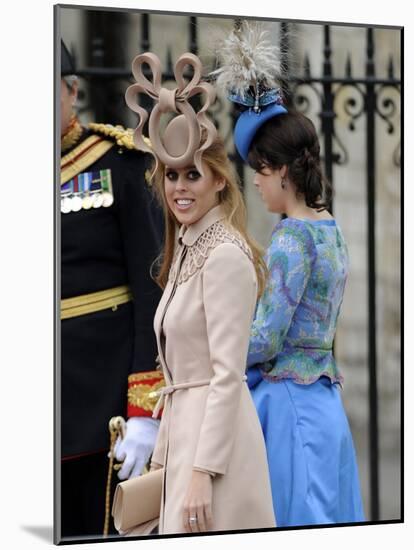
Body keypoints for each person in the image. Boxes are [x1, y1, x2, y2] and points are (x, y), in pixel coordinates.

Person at [215, 21, 365, 527]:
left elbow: (265, 337)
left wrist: (215, 345)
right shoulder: (331, 229)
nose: (253, 181)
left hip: (288, 411)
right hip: (326, 408)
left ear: (282, 170)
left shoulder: (291, 238)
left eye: (258, 168)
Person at [125, 51, 276, 534]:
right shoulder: (189, 248)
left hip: (217, 454)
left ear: (217, 181)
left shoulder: (225, 254)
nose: (180, 187)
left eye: (193, 174)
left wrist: (201, 473)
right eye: (172, 175)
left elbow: (227, 377)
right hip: (184, 441)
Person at [59, 40, 165, 540]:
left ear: (71, 92)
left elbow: (152, 289)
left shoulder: (117, 164)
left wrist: (143, 411)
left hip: (101, 410)